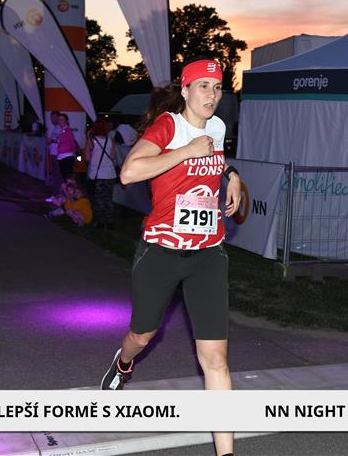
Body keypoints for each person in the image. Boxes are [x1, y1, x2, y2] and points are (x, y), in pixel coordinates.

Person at [100, 59, 242, 456]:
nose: (211, 95)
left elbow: (215, 159)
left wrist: (231, 175)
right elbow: (129, 173)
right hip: (161, 251)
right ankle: (123, 362)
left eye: (217, 87)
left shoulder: (217, 127)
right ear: (185, 90)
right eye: (203, 86)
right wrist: (185, 151)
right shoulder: (168, 126)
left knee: (216, 359)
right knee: (141, 336)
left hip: (207, 254)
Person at [84, 119, 118, 229]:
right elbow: (113, 156)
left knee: (98, 198)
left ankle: (100, 222)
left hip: (97, 174)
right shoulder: (111, 140)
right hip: (110, 174)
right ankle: (110, 222)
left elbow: (87, 158)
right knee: (108, 198)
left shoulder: (91, 140)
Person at [55, 113, 78, 183]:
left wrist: (75, 157)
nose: (60, 121)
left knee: (68, 179)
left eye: (62, 119)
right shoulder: (62, 130)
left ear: (66, 121)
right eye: (59, 119)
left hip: (67, 157)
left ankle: (72, 190)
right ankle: (69, 189)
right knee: (65, 178)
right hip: (61, 157)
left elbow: (73, 144)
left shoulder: (68, 131)